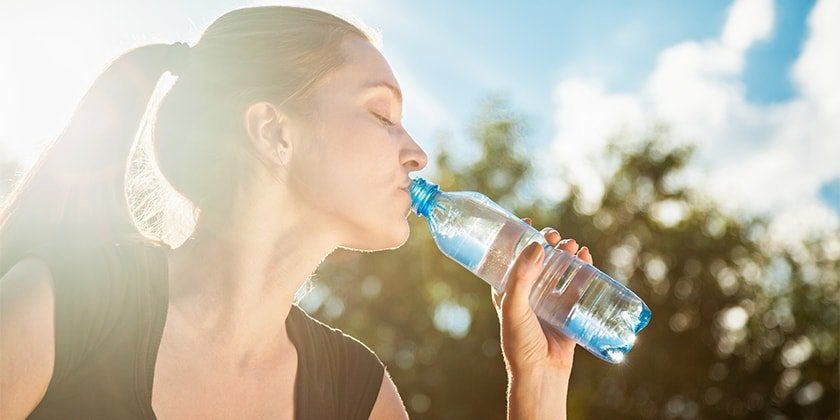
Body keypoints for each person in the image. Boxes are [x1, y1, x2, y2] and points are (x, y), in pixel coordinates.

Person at [0, 6, 593, 419]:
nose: (417, 153)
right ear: (274, 132)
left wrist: (538, 386)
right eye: (382, 116)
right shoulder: (64, 308)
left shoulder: (355, 392)